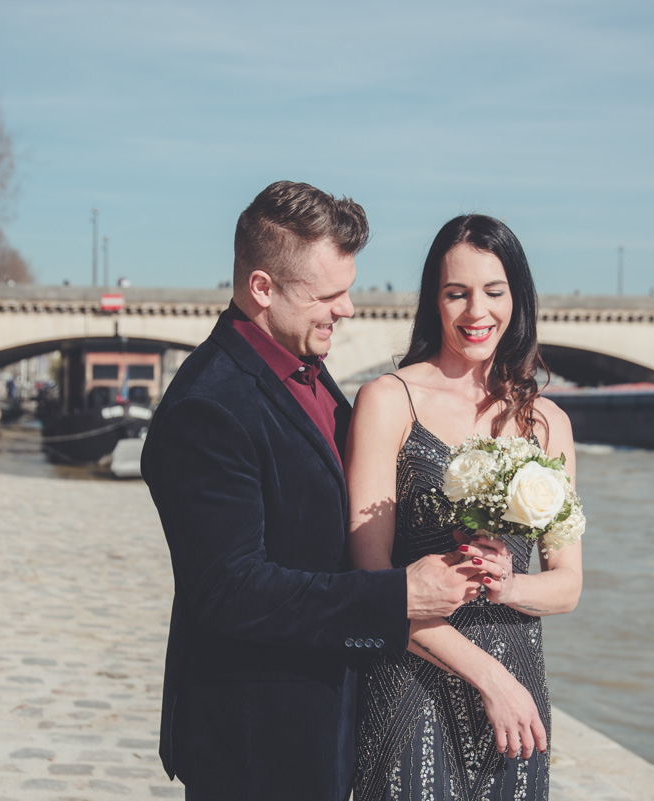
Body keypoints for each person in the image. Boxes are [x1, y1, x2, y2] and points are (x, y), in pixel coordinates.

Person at [140, 182, 497, 801]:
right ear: (262, 288)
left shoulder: (303, 368)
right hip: (258, 739)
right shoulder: (207, 406)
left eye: (348, 288)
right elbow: (229, 590)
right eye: (328, 294)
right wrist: (399, 594)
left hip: (327, 720)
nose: (349, 308)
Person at [347, 214, 584, 800]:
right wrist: (489, 678)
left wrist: (507, 588)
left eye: (493, 292)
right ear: (435, 300)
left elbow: (569, 585)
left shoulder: (548, 423)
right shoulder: (389, 400)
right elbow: (369, 580)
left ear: (517, 298)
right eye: (457, 293)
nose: (476, 312)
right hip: (414, 684)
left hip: (517, 700)